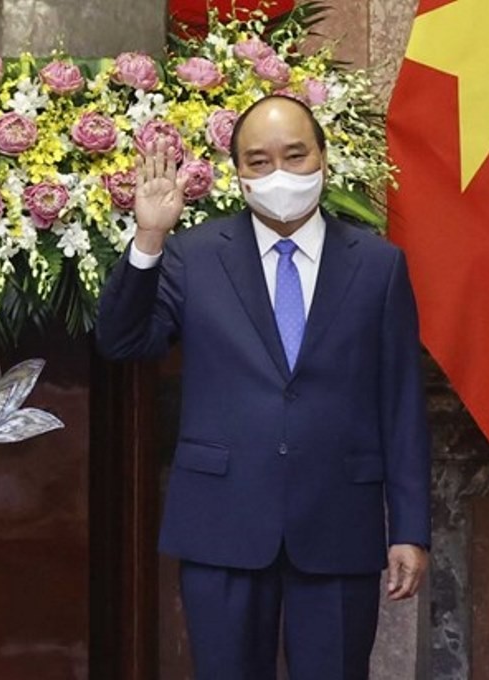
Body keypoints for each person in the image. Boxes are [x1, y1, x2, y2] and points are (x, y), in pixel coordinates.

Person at [96, 95, 431, 679]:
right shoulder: (192, 257)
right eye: (258, 161)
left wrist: (408, 528)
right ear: (239, 174)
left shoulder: (378, 267)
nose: (278, 173)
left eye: (295, 155)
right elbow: (122, 343)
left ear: (324, 158)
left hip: (337, 522)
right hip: (223, 521)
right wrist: (149, 240)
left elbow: (401, 405)